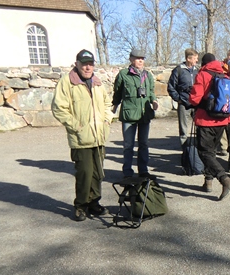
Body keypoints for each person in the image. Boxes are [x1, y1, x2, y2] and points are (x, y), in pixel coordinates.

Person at [51, 49, 113, 221]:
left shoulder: (97, 82)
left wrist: (107, 120)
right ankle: (80, 206)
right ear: (76, 64)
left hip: (99, 136)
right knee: (84, 173)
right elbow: (58, 108)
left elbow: (108, 104)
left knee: (98, 174)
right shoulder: (67, 82)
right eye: (84, 64)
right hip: (81, 138)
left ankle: (94, 203)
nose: (87, 67)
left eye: (90, 64)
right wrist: (75, 126)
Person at [189, 53, 230, 201]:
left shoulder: (202, 75)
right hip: (222, 121)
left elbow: (194, 99)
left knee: (204, 153)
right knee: (212, 152)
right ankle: (207, 182)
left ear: (203, 63)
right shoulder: (226, 77)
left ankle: (224, 179)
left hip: (205, 120)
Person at [113, 48, 159, 178]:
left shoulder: (148, 75)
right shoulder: (123, 74)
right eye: (138, 58)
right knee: (128, 145)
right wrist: (114, 107)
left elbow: (150, 92)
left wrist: (154, 101)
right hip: (129, 115)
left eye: (142, 59)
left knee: (144, 144)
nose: (140, 61)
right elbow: (117, 92)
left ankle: (143, 171)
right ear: (131, 59)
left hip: (144, 114)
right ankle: (127, 172)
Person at [167, 48, 198, 156]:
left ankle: (197, 151)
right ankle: (185, 152)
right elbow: (171, 87)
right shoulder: (178, 70)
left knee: (199, 128)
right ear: (189, 59)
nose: (196, 61)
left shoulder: (197, 70)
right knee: (184, 129)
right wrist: (178, 99)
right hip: (183, 104)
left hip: (196, 104)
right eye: (195, 59)